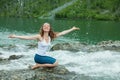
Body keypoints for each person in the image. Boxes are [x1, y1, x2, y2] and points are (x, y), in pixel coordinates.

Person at [9, 23, 80, 69]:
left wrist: (72, 29)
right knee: (56, 63)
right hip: (38, 57)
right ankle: (38, 65)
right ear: (43, 28)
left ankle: (38, 65)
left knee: (54, 62)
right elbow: (27, 37)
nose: (46, 27)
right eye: (44, 26)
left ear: (49, 28)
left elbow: (62, 33)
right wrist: (15, 36)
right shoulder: (39, 37)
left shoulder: (51, 37)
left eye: (47, 26)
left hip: (43, 56)